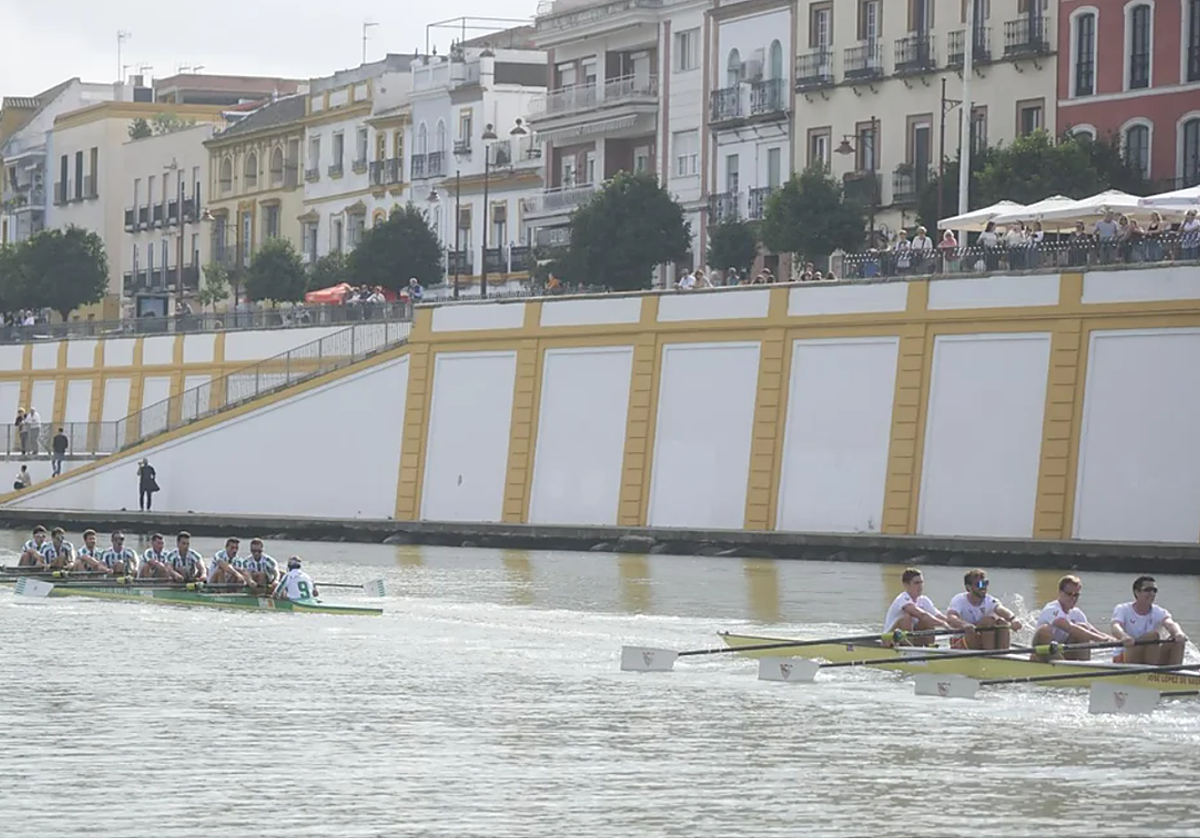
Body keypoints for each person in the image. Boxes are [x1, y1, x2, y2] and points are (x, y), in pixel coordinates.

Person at [1031, 574, 1115, 661]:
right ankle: (1059, 665)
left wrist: (1112, 640)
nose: (1073, 598)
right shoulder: (1052, 610)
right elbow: (1069, 627)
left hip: (1061, 650)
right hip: (1042, 650)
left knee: (1083, 628)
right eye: (1069, 594)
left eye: (1076, 595)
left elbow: (1091, 630)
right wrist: (1100, 639)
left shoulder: (1077, 613)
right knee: (1045, 630)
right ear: (1060, 593)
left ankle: (1085, 666)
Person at [1111, 576, 1188, 666]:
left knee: (1176, 641)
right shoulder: (1122, 609)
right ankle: (1152, 672)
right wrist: (1123, 636)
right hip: (1125, 655)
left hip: (1149, 656)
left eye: (1154, 590)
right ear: (1137, 592)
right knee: (1152, 635)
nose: (1152, 593)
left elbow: (1170, 623)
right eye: (1148, 590)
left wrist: (1178, 633)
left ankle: (1174, 672)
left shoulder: (1159, 611)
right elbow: (1115, 626)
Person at [945, 569, 1024, 650]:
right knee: (988, 621)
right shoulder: (959, 599)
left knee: (1002, 622)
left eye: (985, 583)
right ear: (968, 587)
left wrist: (1013, 619)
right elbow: (951, 617)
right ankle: (990, 654)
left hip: (981, 639)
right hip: (962, 640)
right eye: (979, 584)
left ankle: (1002, 653)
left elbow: (1000, 609)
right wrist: (964, 625)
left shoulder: (989, 600)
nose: (983, 587)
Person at [883, 568, 951, 646]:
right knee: (907, 618)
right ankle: (907, 648)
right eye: (916, 583)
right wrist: (943, 624)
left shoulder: (924, 600)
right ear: (906, 585)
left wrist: (958, 626)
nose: (920, 586)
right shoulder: (902, 599)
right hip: (888, 639)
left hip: (908, 637)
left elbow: (939, 616)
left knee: (929, 619)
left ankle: (929, 647)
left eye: (921, 582)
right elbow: (922, 615)